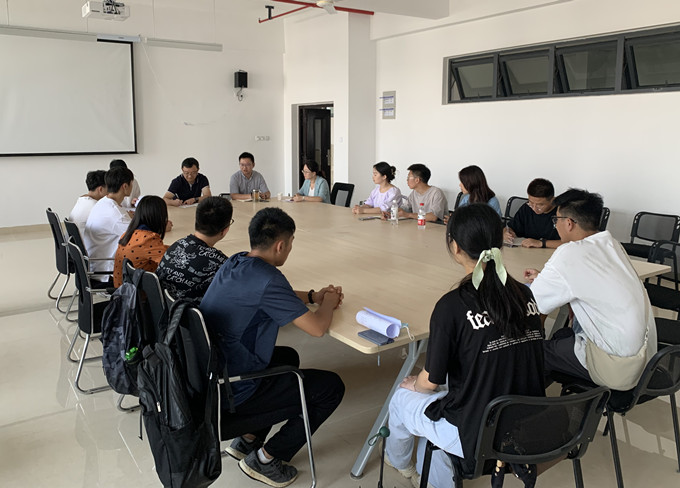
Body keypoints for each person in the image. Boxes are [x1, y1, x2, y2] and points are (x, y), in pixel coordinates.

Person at [386, 204, 544, 488]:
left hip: (479, 433)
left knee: (401, 398)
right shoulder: (524, 293)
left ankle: (400, 464)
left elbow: (431, 381)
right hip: (529, 425)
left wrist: (413, 385)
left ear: (455, 247)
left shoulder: (451, 306)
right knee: (447, 398)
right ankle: (430, 470)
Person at [200, 207, 345, 487]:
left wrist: (313, 296)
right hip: (233, 391)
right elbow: (317, 328)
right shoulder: (268, 278)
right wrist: (327, 303)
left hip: (213, 374)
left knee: (287, 356)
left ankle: (248, 438)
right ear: (280, 245)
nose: (289, 249)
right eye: (290, 244)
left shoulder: (236, 261)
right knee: (331, 388)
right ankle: (266, 459)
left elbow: (275, 294)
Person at [525, 189, 656, 389]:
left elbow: (533, 303)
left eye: (556, 220)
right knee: (561, 336)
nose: (556, 225)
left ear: (568, 223)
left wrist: (541, 282)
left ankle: (529, 403)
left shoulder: (569, 253)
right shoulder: (612, 244)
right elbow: (586, 282)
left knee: (531, 352)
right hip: (646, 360)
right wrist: (546, 279)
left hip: (617, 367)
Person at [157, 197, 233, 301]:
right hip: (188, 310)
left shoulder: (176, 245)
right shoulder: (221, 264)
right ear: (225, 230)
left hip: (162, 308)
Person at [83, 167, 134, 280]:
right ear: (125, 186)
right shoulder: (116, 214)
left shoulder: (103, 202)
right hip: (105, 271)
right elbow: (139, 236)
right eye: (132, 183)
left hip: (94, 263)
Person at [112, 196, 169, 288]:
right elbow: (169, 263)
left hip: (122, 288)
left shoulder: (129, 233)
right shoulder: (148, 239)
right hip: (138, 293)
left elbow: (158, 251)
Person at [504, 178, 561, 249]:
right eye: (531, 202)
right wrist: (507, 233)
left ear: (552, 200)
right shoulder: (526, 208)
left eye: (540, 205)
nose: (534, 208)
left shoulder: (562, 213)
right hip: (528, 251)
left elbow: (570, 242)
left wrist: (541, 243)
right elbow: (510, 228)